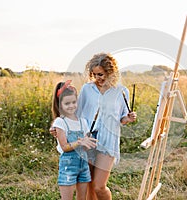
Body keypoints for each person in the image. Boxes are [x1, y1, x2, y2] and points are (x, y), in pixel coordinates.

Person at [50, 53, 137, 200]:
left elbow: (121, 119)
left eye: (101, 74)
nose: (98, 78)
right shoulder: (87, 89)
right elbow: (75, 113)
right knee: (88, 184)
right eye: (94, 74)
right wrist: (60, 127)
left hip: (108, 140)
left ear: (111, 72)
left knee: (99, 186)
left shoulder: (121, 92)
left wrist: (128, 118)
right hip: (87, 139)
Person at [51, 80, 97, 200]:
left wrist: (89, 143)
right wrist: (80, 142)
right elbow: (65, 147)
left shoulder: (83, 121)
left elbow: (86, 144)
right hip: (68, 166)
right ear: (60, 104)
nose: (71, 106)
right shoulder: (60, 122)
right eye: (67, 103)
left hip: (83, 165)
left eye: (74, 102)